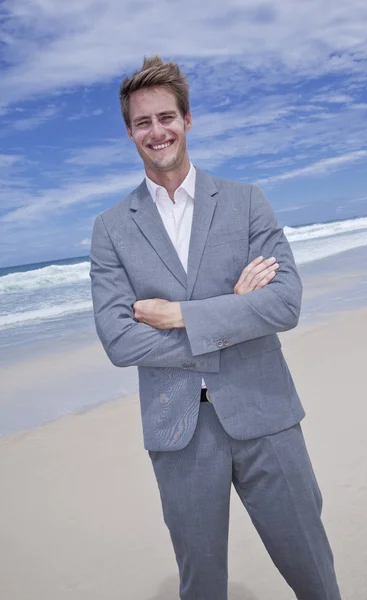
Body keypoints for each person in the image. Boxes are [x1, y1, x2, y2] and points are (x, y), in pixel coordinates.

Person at [89, 55, 342, 600]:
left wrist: (184, 315)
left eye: (166, 117)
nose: (157, 132)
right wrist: (233, 312)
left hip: (265, 413)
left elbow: (285, 303)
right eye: (143, 122)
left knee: (314, 573)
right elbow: (118, 339)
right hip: (179, 432)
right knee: (201, 585)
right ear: (130, 132)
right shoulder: (110, 229)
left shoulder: (247, 201)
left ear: (187, 120)